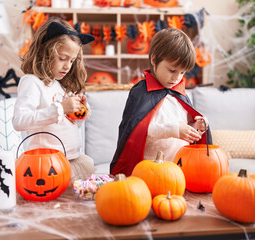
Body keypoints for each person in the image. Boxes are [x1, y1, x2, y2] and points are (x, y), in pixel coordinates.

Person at [110, 28, 212, 176]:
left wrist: (198, 127)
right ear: (154, 59)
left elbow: (187, 129)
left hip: (178, 170)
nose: (177, 78)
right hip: (150, 169)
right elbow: (138, 132)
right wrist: (174, 130)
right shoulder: (141, 92)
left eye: (182, 73)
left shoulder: (180, 94)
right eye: (172, 70)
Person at [13, 18, 96, 181]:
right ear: (45, 52)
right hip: (46, 165)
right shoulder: (32, 82)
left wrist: (77, 114)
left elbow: (66, 126)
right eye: (62, 58)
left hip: (73, 160)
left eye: (72, 61)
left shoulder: (60, 86)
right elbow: (19, 120)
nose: (67, 66)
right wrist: (61, 109)